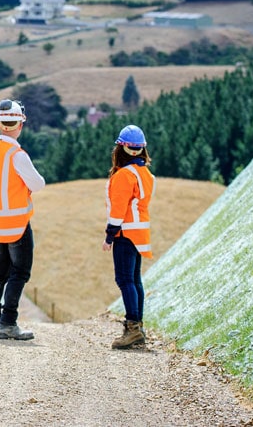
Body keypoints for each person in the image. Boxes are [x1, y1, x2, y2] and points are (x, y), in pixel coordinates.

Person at [0, 99, 45, 340]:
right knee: (20, 273)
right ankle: (8, 322)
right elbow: (38, 184)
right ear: (20, 124)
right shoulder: (17, 155)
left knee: (0, 271)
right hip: (17, 225)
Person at [102, 124, 156, 349]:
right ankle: (138, 327)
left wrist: (109, 235)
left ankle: (132, 329)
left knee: (125, 280)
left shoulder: (124, 175)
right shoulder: (145, 173)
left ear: (120, 148)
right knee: (135, 280)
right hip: (140, 233)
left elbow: (118, 209)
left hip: (125, 233)